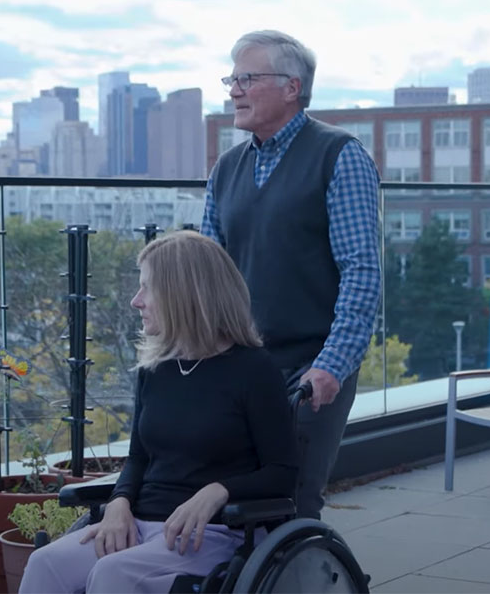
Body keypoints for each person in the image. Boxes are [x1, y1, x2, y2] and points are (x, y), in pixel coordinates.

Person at [19, 230, 297, 594]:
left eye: (146, 288)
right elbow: (139, 458)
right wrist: (119, 503)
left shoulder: (253, 371)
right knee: (45, 564)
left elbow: (283, 474)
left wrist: (219, 490)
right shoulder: (157, 368)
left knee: (113, 574)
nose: (136, 301)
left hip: (212, 534)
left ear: (183, 294)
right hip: (140, 523)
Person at [202, 30, 382, 520]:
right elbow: (207, 277)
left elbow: (361, 271)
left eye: (247, 78)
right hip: (239, 364)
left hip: (311, 365)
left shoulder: (338, 156)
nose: (234, 90)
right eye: (232, 78)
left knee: (293, 503)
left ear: (291, 87)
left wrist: (331, 365)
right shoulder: (225, 169)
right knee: (229, 501)